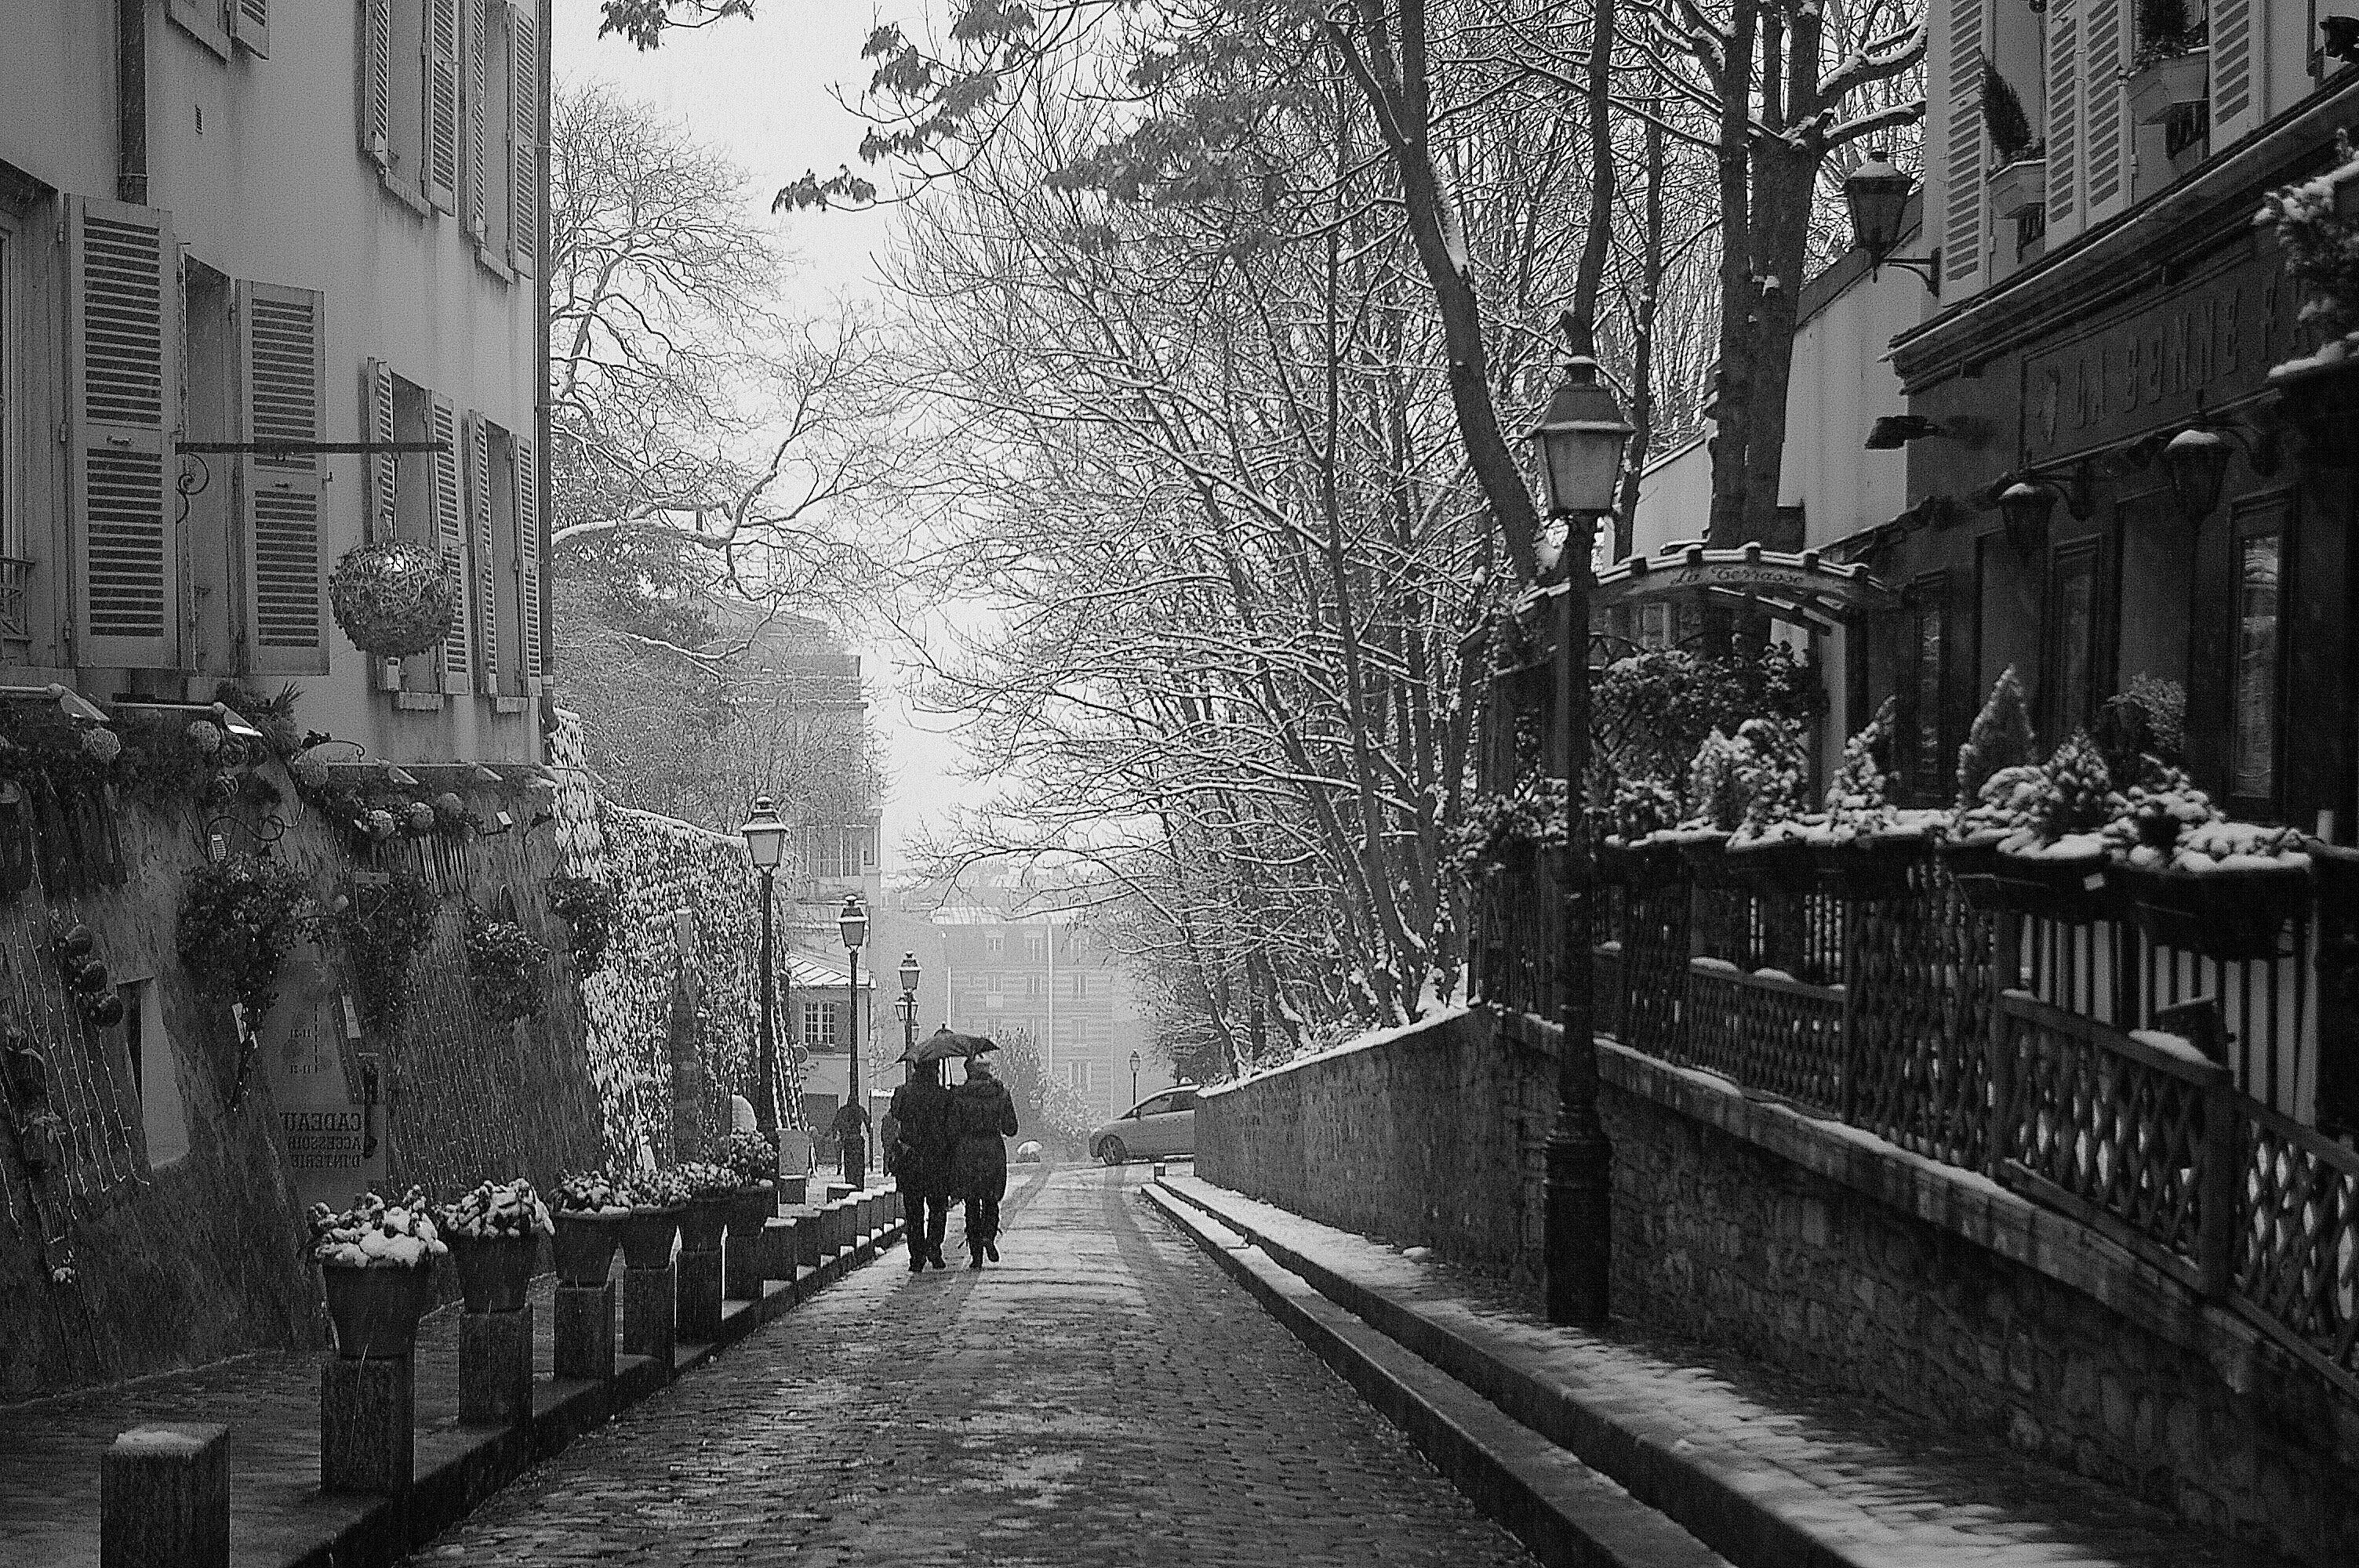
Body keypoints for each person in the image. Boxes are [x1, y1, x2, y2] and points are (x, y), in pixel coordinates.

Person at [949, 1051, 1020, 1269]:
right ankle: (989, 1235)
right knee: (990, 1199)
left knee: (971, 1202)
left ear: (968, 1071)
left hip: (968, 1152)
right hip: (992, 1151)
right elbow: (1012, 1128)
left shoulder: (960, 1095)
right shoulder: (1000, 1093)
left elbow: (951, 1129)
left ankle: (976, 1252)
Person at [887, 1060, 957, 1272]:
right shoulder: (944, 1096)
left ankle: (917, 1256)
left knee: (914, 1212)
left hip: (911, 1160)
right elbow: (952, 1127)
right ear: (935, 1071)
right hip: (936, 1161)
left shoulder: (903, 1093)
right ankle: (934, 1249)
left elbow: (895, 1113)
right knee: (937, 1209)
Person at [829, 1098, 871, 1189]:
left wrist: (836, 1134)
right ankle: (858, 1184)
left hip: (848, 1141)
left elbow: (835, 1124)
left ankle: (851, 1183)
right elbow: (868, 1125)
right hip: (855, 1141)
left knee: (849, 1166)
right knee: (858, 1166)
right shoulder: (860, 1110)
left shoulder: (843, 1111)